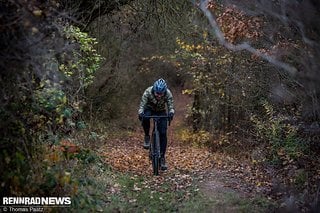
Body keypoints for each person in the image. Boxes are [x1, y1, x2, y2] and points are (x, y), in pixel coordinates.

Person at [138, 78, 174, 170]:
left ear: (164, 92)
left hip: (161, 111)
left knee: (163, 133)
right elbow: (142, 104)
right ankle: (147, 136)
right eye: (157, 93)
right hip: (149, 109)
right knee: (145, 117)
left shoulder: (168, 93)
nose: (159, 96)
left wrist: (171, 112)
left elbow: (170, 105)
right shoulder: (148, 91)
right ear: (154, 90)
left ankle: (162, 157)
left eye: (161, 94)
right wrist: (141, 112)